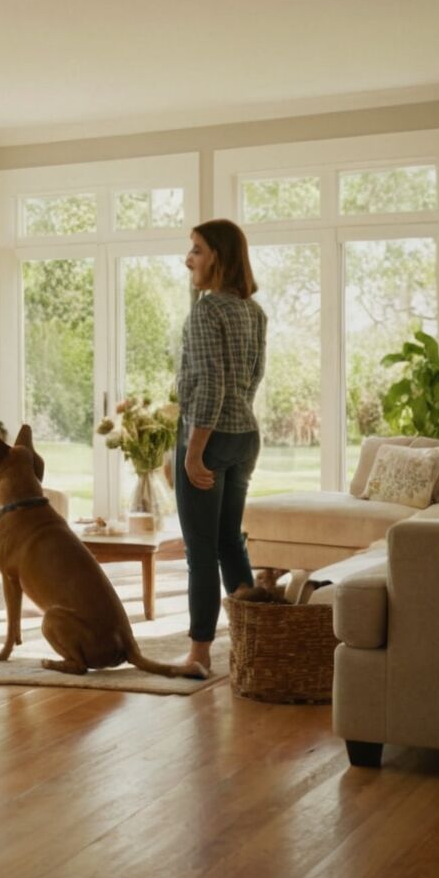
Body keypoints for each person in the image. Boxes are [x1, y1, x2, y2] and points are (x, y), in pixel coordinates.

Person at [174, 219, 266, 673]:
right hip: (245, 435)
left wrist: (194, 451)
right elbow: (250, 380)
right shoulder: (254, 312)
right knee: (230, 541)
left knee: (201, 549)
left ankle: (199, 654)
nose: (187, 258)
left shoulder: (208, 312)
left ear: (219, 258)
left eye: (196, 250)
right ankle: (256, 645)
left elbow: (210, 385)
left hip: (207, 436)